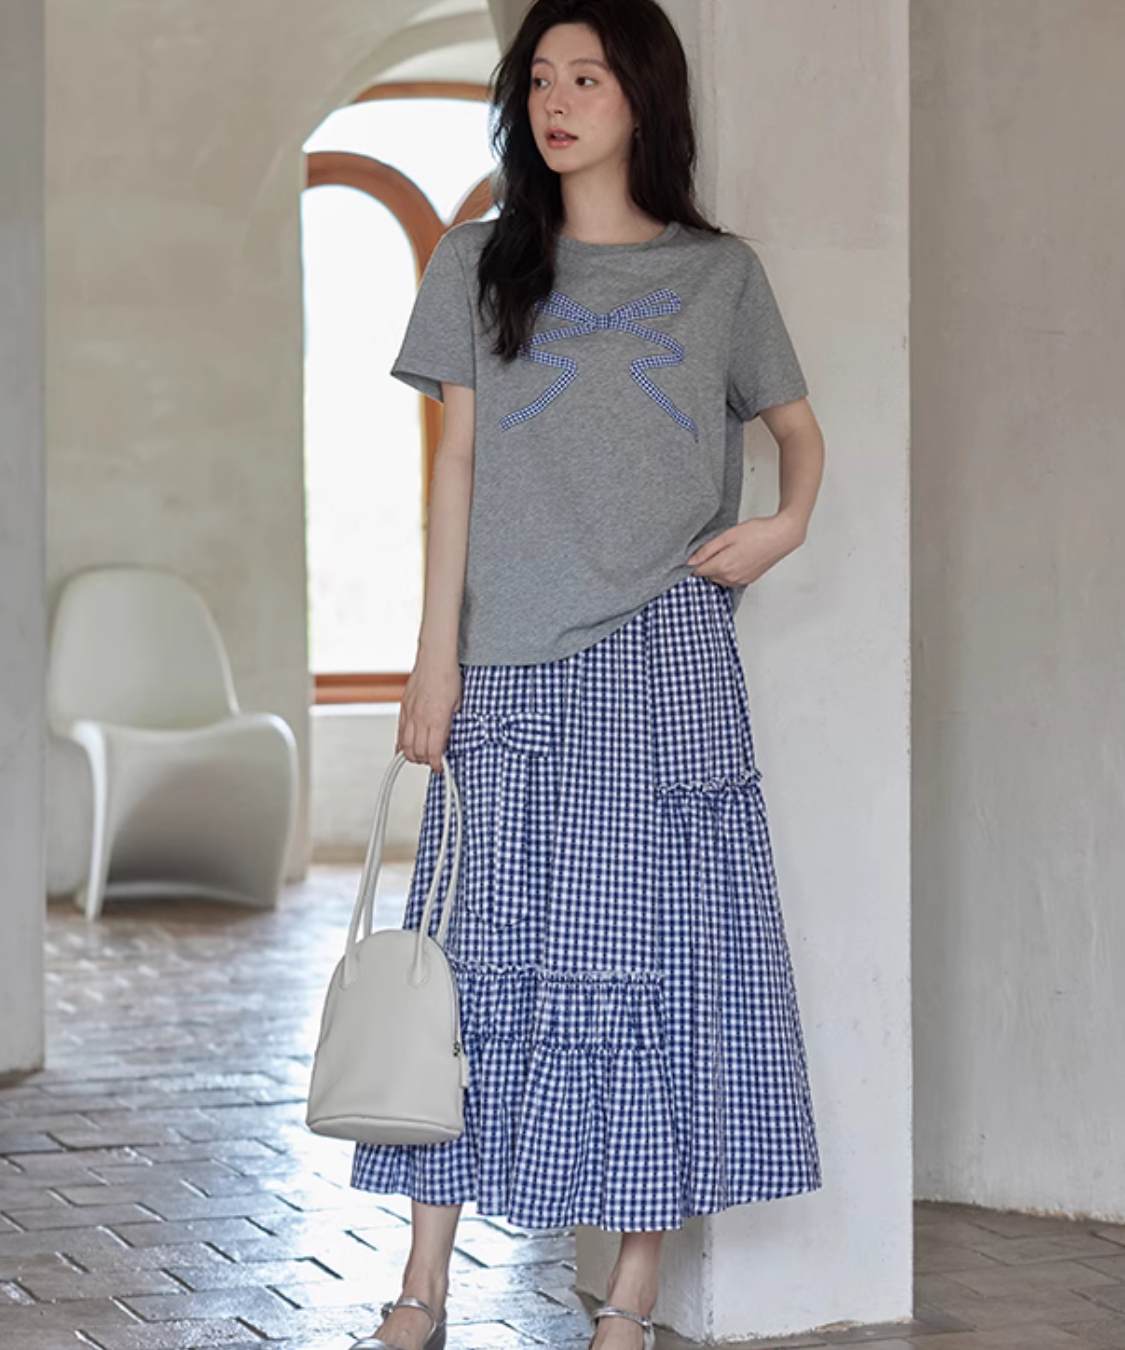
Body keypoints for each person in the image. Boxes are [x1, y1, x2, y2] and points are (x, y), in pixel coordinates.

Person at [346, 1, 826, 1347]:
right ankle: (423, 1283)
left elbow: (800, 435)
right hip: (506, 661)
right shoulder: (478, 260)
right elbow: (454, 464)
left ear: (642, 99)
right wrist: (431, 658)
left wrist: (782, 526)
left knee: (656, 959)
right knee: (472, 958)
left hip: (665, 656)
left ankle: (632, 1289)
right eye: (540, 80)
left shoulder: (720, 276)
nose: (556, 103)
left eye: (587, 79)